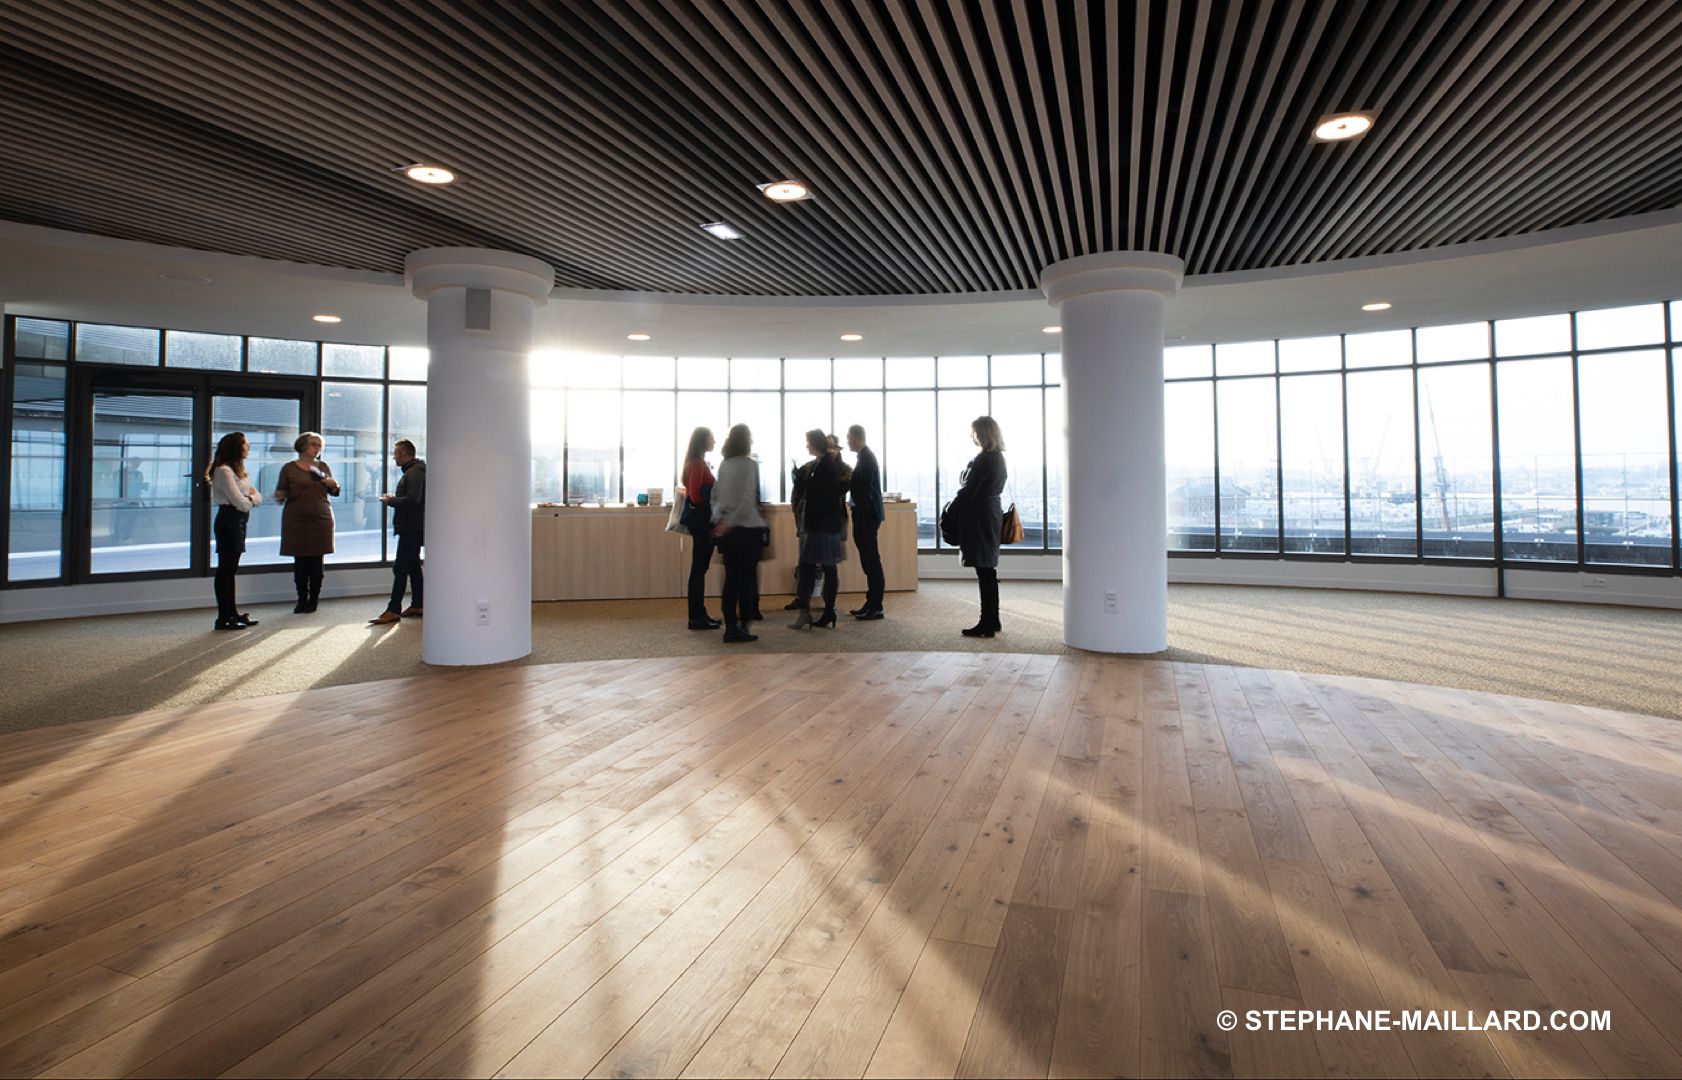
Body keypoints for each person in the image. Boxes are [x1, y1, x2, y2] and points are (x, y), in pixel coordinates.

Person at [942, 415, 1007, 637]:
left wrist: (950, 509)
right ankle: (993, 619)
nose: (973, 436)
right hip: (990, 515)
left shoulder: (984, 459)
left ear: (984, 433)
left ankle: (986, 623)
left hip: (980, 517)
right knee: (988, 569)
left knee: (984, 571)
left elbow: (969, 490)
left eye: (975, 432)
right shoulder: (998, 458)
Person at [711, 424, 767, 643]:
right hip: (748, 530)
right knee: (747, 581)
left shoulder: (724, 465)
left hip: (728, 533)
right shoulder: (750, 465)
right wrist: (731, 522)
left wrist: (721, 522)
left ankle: (730, 627)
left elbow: (716, 498)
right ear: (747, 441)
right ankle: (744, 625)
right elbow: (747, 501)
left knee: (731, 579)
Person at [273, 431, 340, 613]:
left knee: (317, 564)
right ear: (302, 446)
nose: (317, 448)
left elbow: (335, 491)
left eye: (320, 445)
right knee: (300, 564)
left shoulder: (323, 466)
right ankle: (301, 599)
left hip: (320, 518)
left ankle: (314, 600)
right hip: (296, 519)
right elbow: (281, 492)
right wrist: (280, 495)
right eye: (313, 444)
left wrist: (333, 484)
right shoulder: (289, 468)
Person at [790, 428, 848, 630]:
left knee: (818, 567)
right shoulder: (821, 465)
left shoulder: (825, 466)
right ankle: (823, 611)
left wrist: (803, 482)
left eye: (808, 442)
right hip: (824, 525)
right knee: (822, 567)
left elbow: (821, 495)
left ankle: (821, 611)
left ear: (814, 443)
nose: (806, 445)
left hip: (822, 525)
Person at [207, 431, 261, 630]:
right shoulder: (223, 471)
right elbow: (241, 503)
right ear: (236, 448)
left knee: (231, 570)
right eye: (246, 445)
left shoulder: (239, 471)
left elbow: (257, 497)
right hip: (228, 520)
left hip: (238, 521)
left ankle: (232, 613)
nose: (248, 448)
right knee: (226, 571)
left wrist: (251, 498)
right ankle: (223, 617)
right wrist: (251, 498)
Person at [370, 439, 425, 625]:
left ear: (403, 455)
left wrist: (390, 501)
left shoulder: (416, 472)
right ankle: (419, 604)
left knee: (400, 567)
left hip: (412, 528)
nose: (394, 457)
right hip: (411, 527)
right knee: (413, 566)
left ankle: (393, 609)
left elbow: (413, 499)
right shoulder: (413, 471)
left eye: (395, 454)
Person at [680, 427, 720, 630]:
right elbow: (695, 495)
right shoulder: (697, 463)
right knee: (698, 569)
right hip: (701, 521)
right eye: (711, 438)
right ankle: (695, 616)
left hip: (701, 521)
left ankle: (699, 612)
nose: (714, 441)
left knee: (699, 568)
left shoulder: (697, 462)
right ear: (703, 440)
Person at [846, 424, 885, 620]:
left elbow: (865, 491)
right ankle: (870, 603)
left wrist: (848, 481)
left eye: (848, 438)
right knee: (868, 561)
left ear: (855, 438)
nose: (847, 442)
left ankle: (876, 606)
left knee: (872, 562)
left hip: (866, 517)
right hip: (864, 515)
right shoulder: (863, 457)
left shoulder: (866, 458)